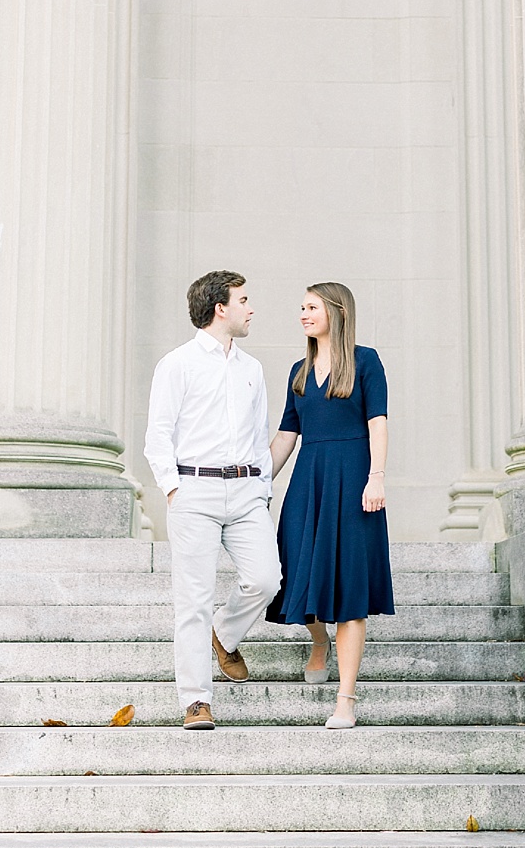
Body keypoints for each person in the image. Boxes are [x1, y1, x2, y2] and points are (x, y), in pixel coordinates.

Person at [143, 270, 281, 731]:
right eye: (243, 300)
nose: (251, 309)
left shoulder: (251, 368)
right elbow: (158, 435)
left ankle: (224, 634)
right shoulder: (177, 364)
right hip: (194, 489)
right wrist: (173, 488)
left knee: (266, 579)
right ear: (220, 308)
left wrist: (262, 488)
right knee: (193, 602)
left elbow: (259, 436)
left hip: (246, 492)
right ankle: (196, 700)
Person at [264, 281, 393, 729]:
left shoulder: (366, 361)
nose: (303, 314)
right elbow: (286, 436)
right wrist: (257, 484)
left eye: (312, 307)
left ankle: (345, 700)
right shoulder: (298, 372)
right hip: (308, 481)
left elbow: (378, 423)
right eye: (302, 307)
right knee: (295, 574)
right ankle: (319, 641)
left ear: (338, 312)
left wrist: (376, 477)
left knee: (350, 592)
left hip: (355, 479)